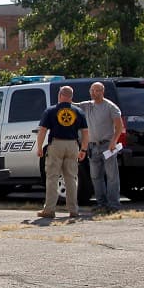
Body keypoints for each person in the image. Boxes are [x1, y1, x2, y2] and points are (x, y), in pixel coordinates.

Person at [36, 85, 89, 219]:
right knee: (71, 178)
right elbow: (85, 132)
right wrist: (83, 149)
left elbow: (42, 130)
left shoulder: (51, 111)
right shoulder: (78, 112)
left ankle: (49, 210)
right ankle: (73, 210)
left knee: (52, 177)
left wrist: (39, 147)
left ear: (60, 95)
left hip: (56, 144)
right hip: (72, 145)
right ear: (71, 97)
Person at [79, 82, 125, 213]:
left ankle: (114, 205)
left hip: (107, 146)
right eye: (92, 90)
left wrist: (113, 141)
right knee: (95, 176)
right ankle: (101, 204)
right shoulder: (87, 105)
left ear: (102, 92)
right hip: (93, 146)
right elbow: (72, 106)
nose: (94, 93)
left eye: (97, 90)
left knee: (111, 176)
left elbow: (119, 127)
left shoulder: (110, 107)